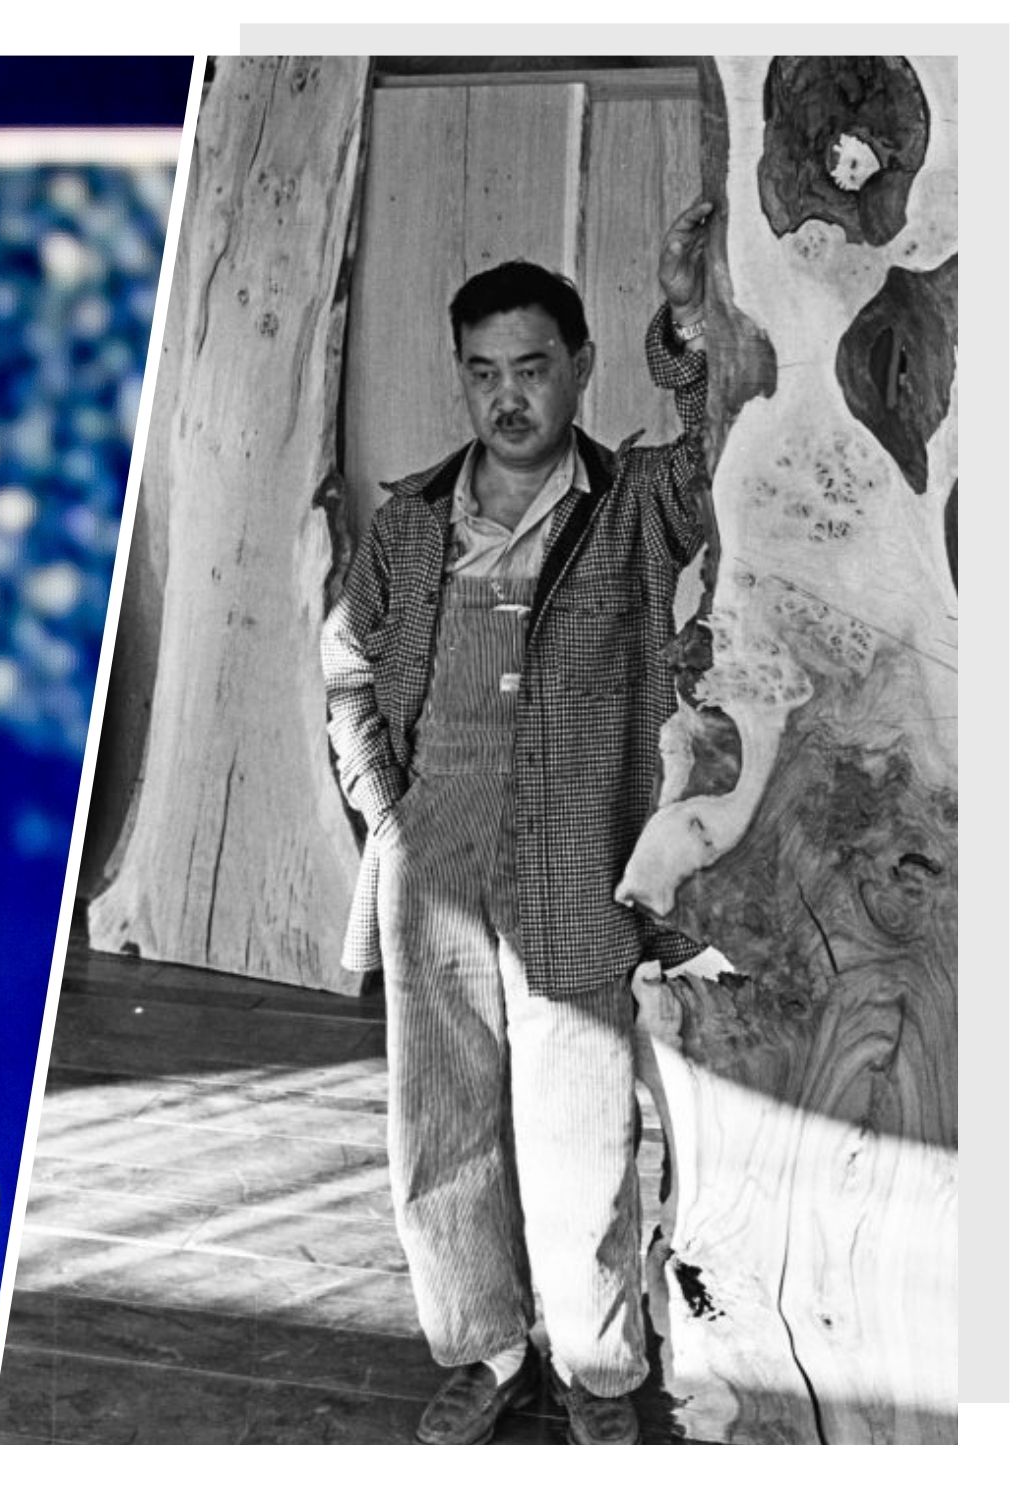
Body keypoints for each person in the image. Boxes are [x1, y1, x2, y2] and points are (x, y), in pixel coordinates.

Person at [320, 200, 715, 1445]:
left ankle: (598, 1368)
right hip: (431, 854)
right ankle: (488, 1350)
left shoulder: (637, 502)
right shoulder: (407, 523)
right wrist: (387, 812)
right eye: (482, 373)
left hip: (572, 853)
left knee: (578, 1127)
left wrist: (682, 315)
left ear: (578, 367)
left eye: (531, 369)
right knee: (439, 1120)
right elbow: (344, 670)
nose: (506, 398)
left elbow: (721, 436)